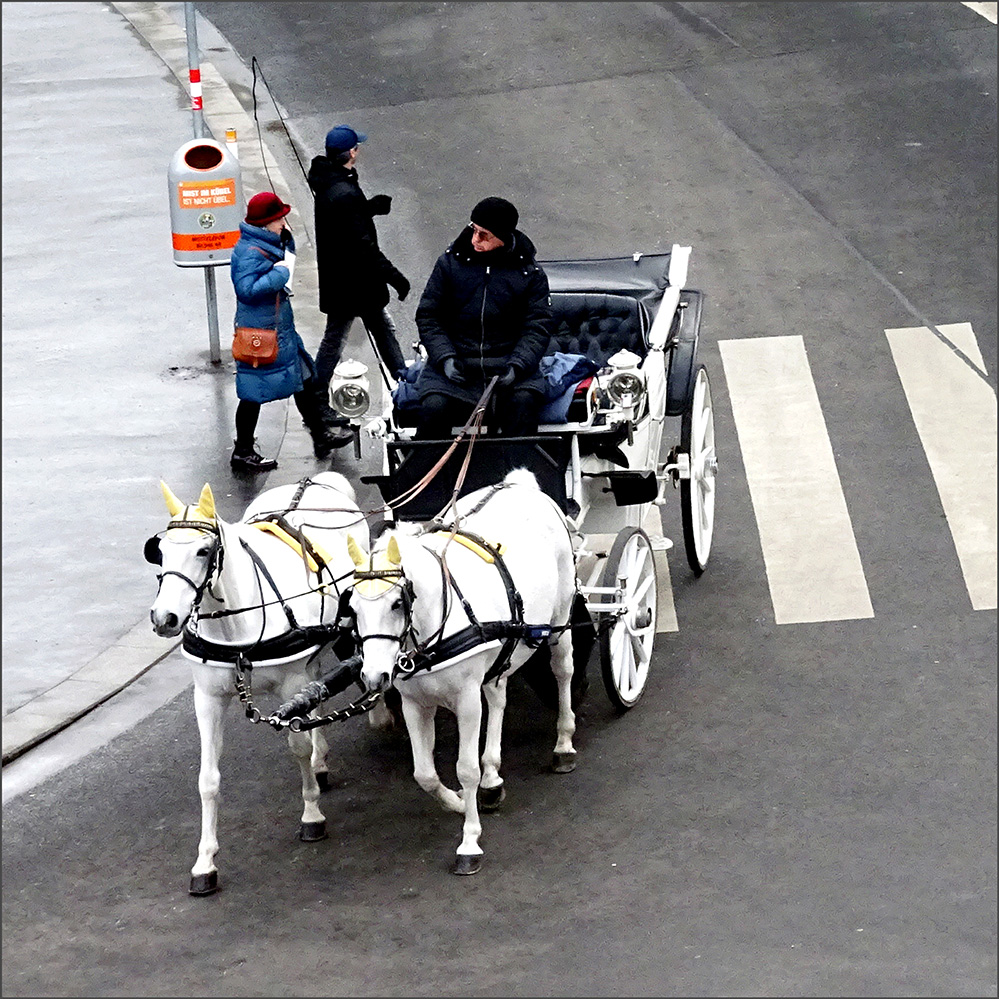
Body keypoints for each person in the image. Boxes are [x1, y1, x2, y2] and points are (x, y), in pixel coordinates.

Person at [413, 197, 552, 438]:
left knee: (523, 404)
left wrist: (517, 366)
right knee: (433, 408)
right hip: (456, 368)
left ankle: (517, 472)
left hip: (508, 369)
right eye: (473, 230)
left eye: (483, 234)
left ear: (503, 236)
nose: (474, 239)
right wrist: (445, 357)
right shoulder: (449, 264)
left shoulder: (530, 274)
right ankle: (431, 472)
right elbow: (428, 316)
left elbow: (537, 327)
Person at [229, 191, 347, 472]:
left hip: (278, 330)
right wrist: (279, 274)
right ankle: (243, 451)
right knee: (252, 394)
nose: (284, 222)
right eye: (279, 218)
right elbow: (246, 290)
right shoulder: (248, 252)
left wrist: (285, 241)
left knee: (302, 380)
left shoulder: (265, 243)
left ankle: (321, 437)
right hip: (261, 336)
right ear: (266, 222)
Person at [307, 124, 410, 412]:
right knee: (337, 339)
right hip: (354, 282)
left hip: (344, 280)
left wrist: (369, 208)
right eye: (357, 147)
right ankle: (316, 398)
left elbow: (343, 222)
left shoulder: (330, 180)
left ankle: (403, 381)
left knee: (379, 328)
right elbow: (363, 246)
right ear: (351, 152)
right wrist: (395, 277)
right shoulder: (343, 190)